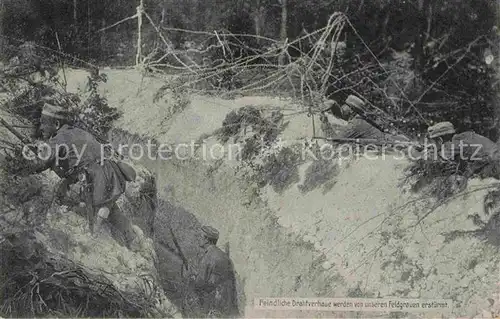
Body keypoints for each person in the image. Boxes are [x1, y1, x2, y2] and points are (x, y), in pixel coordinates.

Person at [24, 103, 139, 250]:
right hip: (111, 173)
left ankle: (94, 238)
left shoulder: (59, 139)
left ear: (57, 123)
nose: (41, 128)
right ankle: (132, 239)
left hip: (94, 179)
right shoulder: (77, 131)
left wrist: (24, 166)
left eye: (44, 124)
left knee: (67, 199)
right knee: (111, 210)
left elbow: (41, 163)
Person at [189, 225, 239, 318]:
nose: (198, 238)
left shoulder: (208, 257)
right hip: (228, 301)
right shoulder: (222, 254)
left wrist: (193, 279)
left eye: (200, 236)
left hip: (216, 304)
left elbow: (200, 283)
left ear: (207, 239)